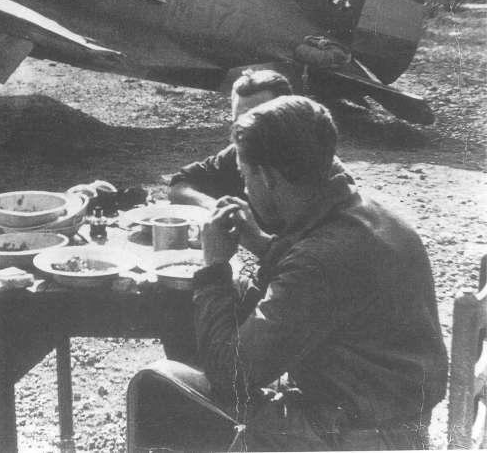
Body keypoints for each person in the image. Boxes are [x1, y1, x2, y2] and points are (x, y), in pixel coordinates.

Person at [192, 96, 448, 450]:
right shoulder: (366, 214)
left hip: (355, 438)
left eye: (245, 177)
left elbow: (231, 375)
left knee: (165, 387)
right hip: (397, 424)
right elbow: (323, 290)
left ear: (267, 177)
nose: (246, 190)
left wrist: (214, 267)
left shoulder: (317, 261)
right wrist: (265, 246)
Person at [168, 69, 294, 210]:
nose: (246, 130)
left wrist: (254, 232)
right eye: (239, 121)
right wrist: (214, 206)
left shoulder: (309, 159)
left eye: (258, 120)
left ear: (285, 116)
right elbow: (180, 185)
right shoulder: (239, 153)